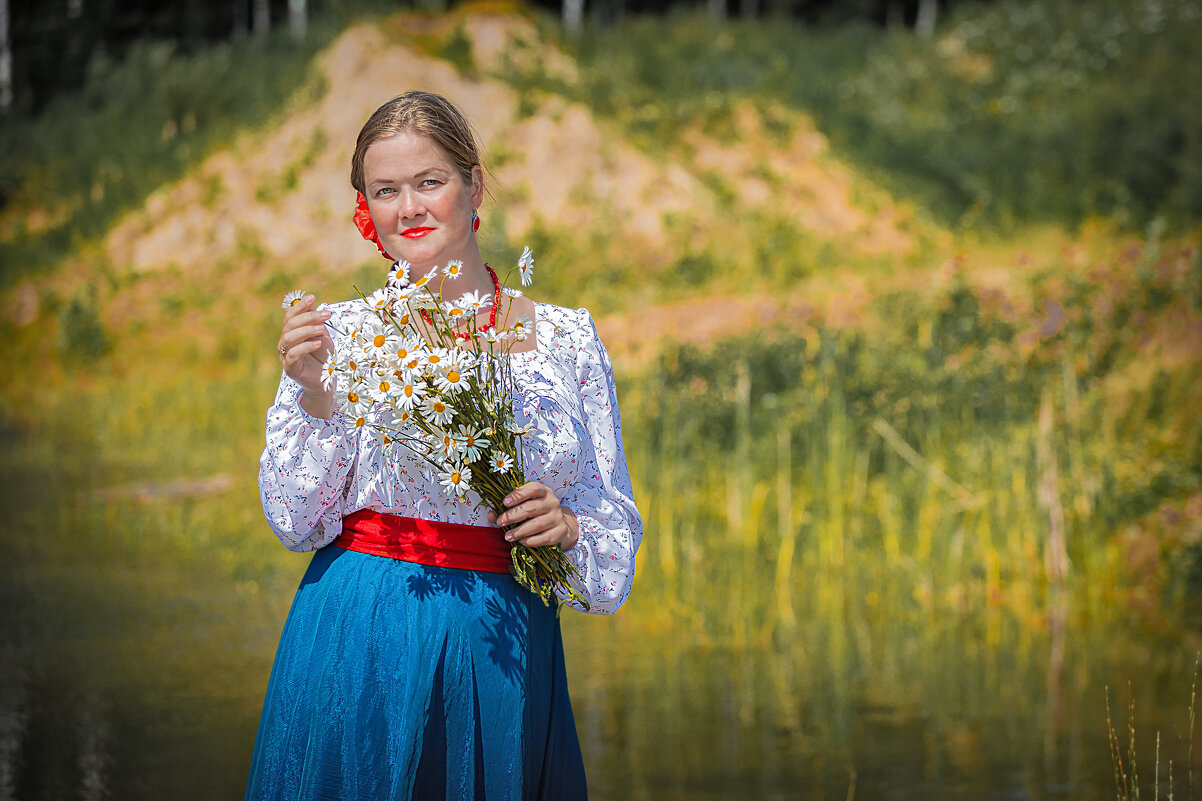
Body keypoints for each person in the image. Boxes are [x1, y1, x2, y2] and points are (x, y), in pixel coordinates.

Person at [245, 91, 642, 800]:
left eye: (430, 182)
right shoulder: (336, 335)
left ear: (474, 184)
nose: (410, 208)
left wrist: (569, 527)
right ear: (366, 206)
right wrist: (316, 392)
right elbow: (295, 519)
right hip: (361, 637)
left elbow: (610, 551)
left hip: (505, 647)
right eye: (386, 190)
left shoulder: (566, 340)